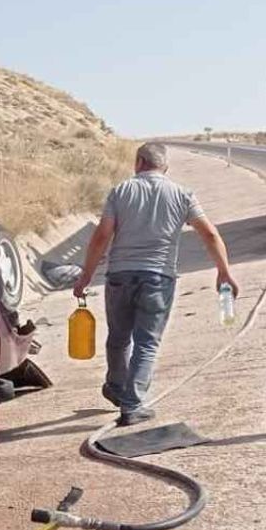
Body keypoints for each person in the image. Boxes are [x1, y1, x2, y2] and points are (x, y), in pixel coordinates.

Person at [73, 143, 238, 426]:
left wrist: (85, 275)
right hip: (158, 278)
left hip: (119, 276)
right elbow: (210, 234)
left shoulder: (120, 191)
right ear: (165, 167)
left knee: (118, 338)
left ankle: (116, 387)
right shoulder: (182, 194)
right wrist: (224, 271)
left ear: (139, 162)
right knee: (147, 343)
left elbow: (102, 236)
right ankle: (132, 404)